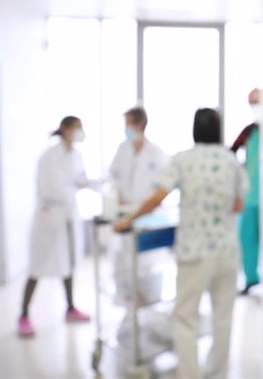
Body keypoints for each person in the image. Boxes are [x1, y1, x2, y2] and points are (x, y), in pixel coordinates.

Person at [114, 108, 247, 379]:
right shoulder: (231, 161)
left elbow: (156, 198)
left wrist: (129, 219)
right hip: (227, 252)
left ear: (194, 130)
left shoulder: (183, 161)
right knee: (223, 316)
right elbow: (238, 204)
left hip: (195, 253)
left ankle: (190, 374)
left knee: (185, 317)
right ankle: (217, 372)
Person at [18, 116, 92, 337]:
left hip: (68, 216)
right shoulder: (49, 157)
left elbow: (79, 178)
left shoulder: (76, 155)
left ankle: (70, 308)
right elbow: (53, 188)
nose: (81, 132)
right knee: (38, 267)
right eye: (79, 128)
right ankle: (23, 315)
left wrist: (84, 183)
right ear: (67, 130)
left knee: (68, 263)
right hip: (49, 218)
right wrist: (74, 187)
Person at [230, 88, 262, 295]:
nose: (255, 106)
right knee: (247, 239)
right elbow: (231, 152)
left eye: (257, 102)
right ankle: (252, 279)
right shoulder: (249, 131)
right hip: (251, 196)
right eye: (252, 103)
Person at [109, 106, 168, 211]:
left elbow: (163, 183)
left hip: (148, 210)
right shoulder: (123, 149)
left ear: (139, 124)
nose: (126, 128)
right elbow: (113, 174)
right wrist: (118, 193)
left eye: (128, 124)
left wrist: (152, 201)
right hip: (125, 207)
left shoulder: (155, 152)